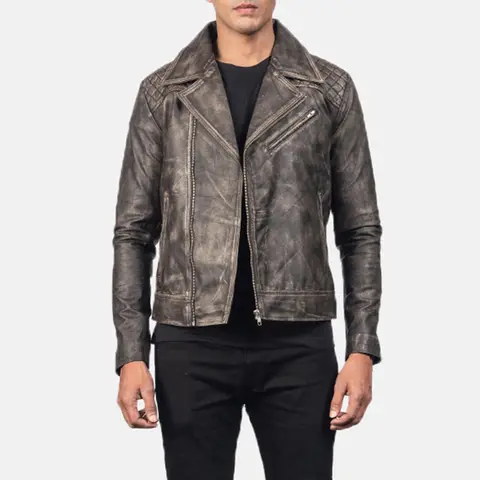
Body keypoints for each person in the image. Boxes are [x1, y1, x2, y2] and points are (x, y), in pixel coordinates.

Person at [112, 1, 382, 478]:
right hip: (190, 344)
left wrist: (362, 348)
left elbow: (359, 231)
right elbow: (133, 232)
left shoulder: (328, 89)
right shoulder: (164, 93)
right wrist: (131, 354)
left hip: (298, 344)